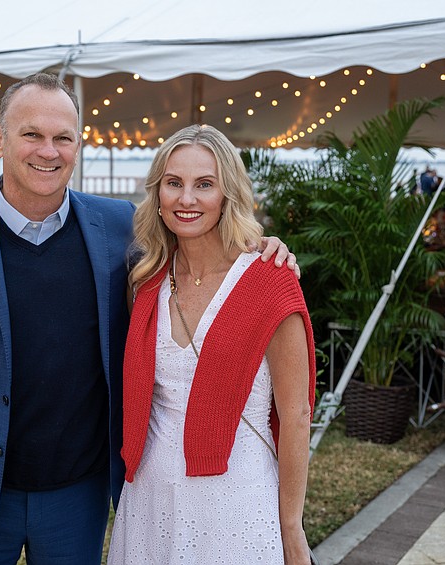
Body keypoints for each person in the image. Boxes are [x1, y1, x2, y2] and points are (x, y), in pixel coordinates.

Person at [0, 73, 298, 564]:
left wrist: (260, 244)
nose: (48, 151)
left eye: (63, 138)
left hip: (77, 491)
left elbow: (195, 239)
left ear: (78, 146)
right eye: (31, 134)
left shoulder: (118, 228)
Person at [109, 124, 316, 564]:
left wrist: (291, 528)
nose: (187, 199)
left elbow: (296, 415)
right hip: (148, 497)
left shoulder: (269, 281)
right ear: (158, 195)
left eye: (204, 184)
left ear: (228, 195)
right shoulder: (146, 283)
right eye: (173, 183)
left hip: (236, 502)